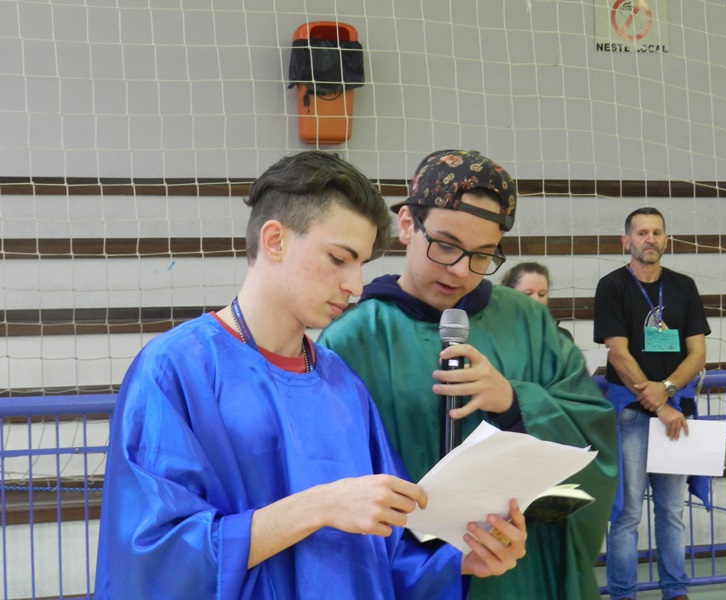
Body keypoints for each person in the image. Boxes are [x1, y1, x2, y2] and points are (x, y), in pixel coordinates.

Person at [94, 150, 527, 600]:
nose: (355, 285)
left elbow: (390, 546)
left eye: (361, 265)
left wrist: (460, 559)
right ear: (275, 240)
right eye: (339, 258)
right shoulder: (176, 368)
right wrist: (320, 506)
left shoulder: (342, 383)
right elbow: (154, 556)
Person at [318, 149, 618, 600]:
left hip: (518, 566)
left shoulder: (527, 321)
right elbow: (329, 480)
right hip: (406, 573)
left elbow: (594, 431)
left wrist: (514, 402)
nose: (460, 271)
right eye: (445, 245)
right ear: (406, 225)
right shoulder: (352, 340)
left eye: (482, 255)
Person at [593, 207, 711, 600]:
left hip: (676, 412)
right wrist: (658, 403)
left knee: (672, 511)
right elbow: (617, 353)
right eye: (642, 232)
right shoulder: (612, 286)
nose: (650, 239)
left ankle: (675, 590)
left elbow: (698, 353)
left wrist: (668, 388)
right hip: (632, 413)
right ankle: (623, 593)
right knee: (627, 514)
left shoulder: (683, 286)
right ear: (626, 241)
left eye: (657, 232)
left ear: (666, 240)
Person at [500, 261, 574, 340]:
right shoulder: (496, 336)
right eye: (528, 293)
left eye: (542, 294)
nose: (536, 300)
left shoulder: (561, 337)